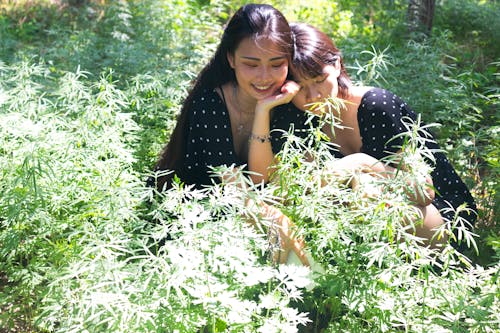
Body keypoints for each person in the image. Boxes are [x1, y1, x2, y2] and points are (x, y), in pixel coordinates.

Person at [254, 22, 477, 247]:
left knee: (365, 189)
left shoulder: (376, 107)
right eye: (300, 87)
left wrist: (361, 164)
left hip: (442, 215)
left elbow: (423, 191)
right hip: (368, 231)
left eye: (320, 80)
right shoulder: (296, 116)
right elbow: (271, 185)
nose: (313, 95)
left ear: (337, 65)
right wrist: (263, 110)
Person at [148, 4, 310, 264]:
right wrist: (278, 220)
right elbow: (233, 191)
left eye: (277, 64)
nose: (265, 77)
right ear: (231, 59)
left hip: (254, 212)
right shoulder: (209, 104)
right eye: (251, 64)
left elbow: (266, 181)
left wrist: (263, 111)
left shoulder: (286, 103)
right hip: (196, 217)